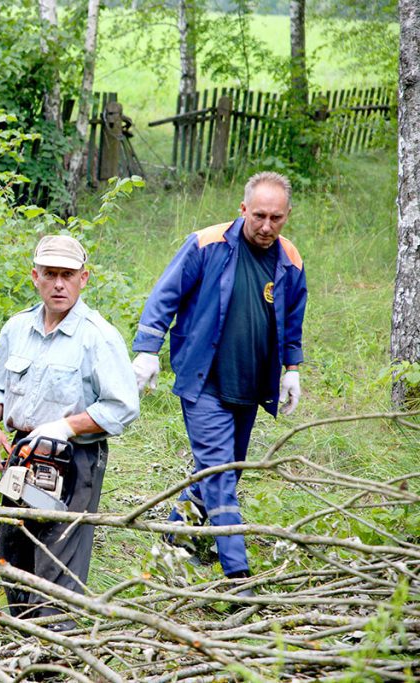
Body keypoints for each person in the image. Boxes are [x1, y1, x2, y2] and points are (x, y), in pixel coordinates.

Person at [131, 171, 307, 584]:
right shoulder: (207, 244)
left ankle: (173, 541)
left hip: (252, 384)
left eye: (276, 218)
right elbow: (165, 295)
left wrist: (292, 369)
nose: (266, 226)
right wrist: (147, 350)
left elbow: (293, 319)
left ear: (287, 216)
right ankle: (237, 573)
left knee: (227, 470)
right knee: (219, 474)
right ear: (243, 208)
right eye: (259, 215)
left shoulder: (290, 259)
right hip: (203, 379)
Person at [0, 234, 139, 621]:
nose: (59, 284)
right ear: (35, 276)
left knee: (58, 557)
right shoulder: (17, 328)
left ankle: (54, 652)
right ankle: (22, 644)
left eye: (68, 275)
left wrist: (66, 427)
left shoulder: (97, 337)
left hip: (75, 458)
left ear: (84, 278)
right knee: (14, 550)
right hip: (22, 453)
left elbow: (122, 406)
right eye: (50, 274)